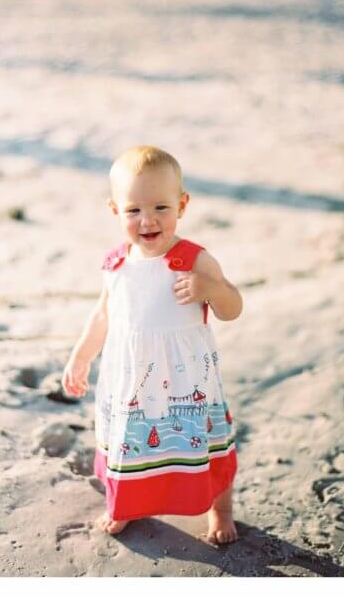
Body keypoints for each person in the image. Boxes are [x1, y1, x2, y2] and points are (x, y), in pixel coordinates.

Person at [62, 145, 242, 545]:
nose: (147, 220)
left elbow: (232, 307)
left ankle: (221, 508)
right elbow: (102, 316)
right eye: (133, 211)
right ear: (115, 210)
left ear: (182, 204)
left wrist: (209, 288)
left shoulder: (194, 260)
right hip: (133, 382)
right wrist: (80, 358)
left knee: (204, 442)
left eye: (161, 207)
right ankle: (127, 504)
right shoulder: (116, 264)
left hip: (186, 382)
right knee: (130, 444)